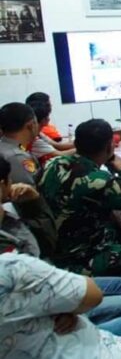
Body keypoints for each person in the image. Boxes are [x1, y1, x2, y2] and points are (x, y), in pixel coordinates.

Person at [0, 156, 121, 331]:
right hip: (47, 310)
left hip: (51, 275)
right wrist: (58, 309)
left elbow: (46, 242)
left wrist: (35, 201)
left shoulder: (54, 165)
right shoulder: (96, 178)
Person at [40, 118, 121, 278]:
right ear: (110, 146)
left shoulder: (53, 164)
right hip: (80, 257)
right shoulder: (98, 180)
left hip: (53, 249)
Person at [0, 102, 57, 258]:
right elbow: (30, 197)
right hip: (28, 233)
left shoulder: (9, 147)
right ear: (31, 125)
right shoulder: (17, 157)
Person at [27, 100, 75, 167]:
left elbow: (57, 146)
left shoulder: (39, 133)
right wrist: (84, 148)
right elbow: (60, 153)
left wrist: (79, 143)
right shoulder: (35, 140)